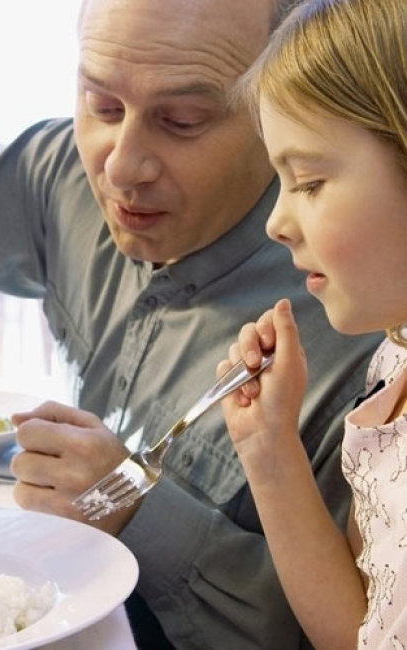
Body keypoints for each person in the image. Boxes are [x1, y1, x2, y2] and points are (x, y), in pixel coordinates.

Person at [0, 0, 382, 647]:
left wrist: (132, 505)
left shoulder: (361, 314)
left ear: (279, 110)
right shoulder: (66, 176)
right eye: (101, 104)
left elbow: (345, 628)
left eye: (182, 120)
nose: (121, 166)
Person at [218, 0, 407, 648]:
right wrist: (269, 450)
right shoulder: (395, 360)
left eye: (308, 181)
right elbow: (362, 629)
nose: (276, 223)